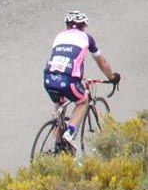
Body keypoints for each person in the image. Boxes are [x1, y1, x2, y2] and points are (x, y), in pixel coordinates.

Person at [43, 10, 120, 153]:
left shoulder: (59, 37)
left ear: (67, 26)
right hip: (68, 79)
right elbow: (101, 62)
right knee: (82, 102)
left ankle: (58, 148)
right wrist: (112, 77)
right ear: (83, 26)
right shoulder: (86, 38)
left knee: (59, 108)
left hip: (49, 78)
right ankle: (70, 134)